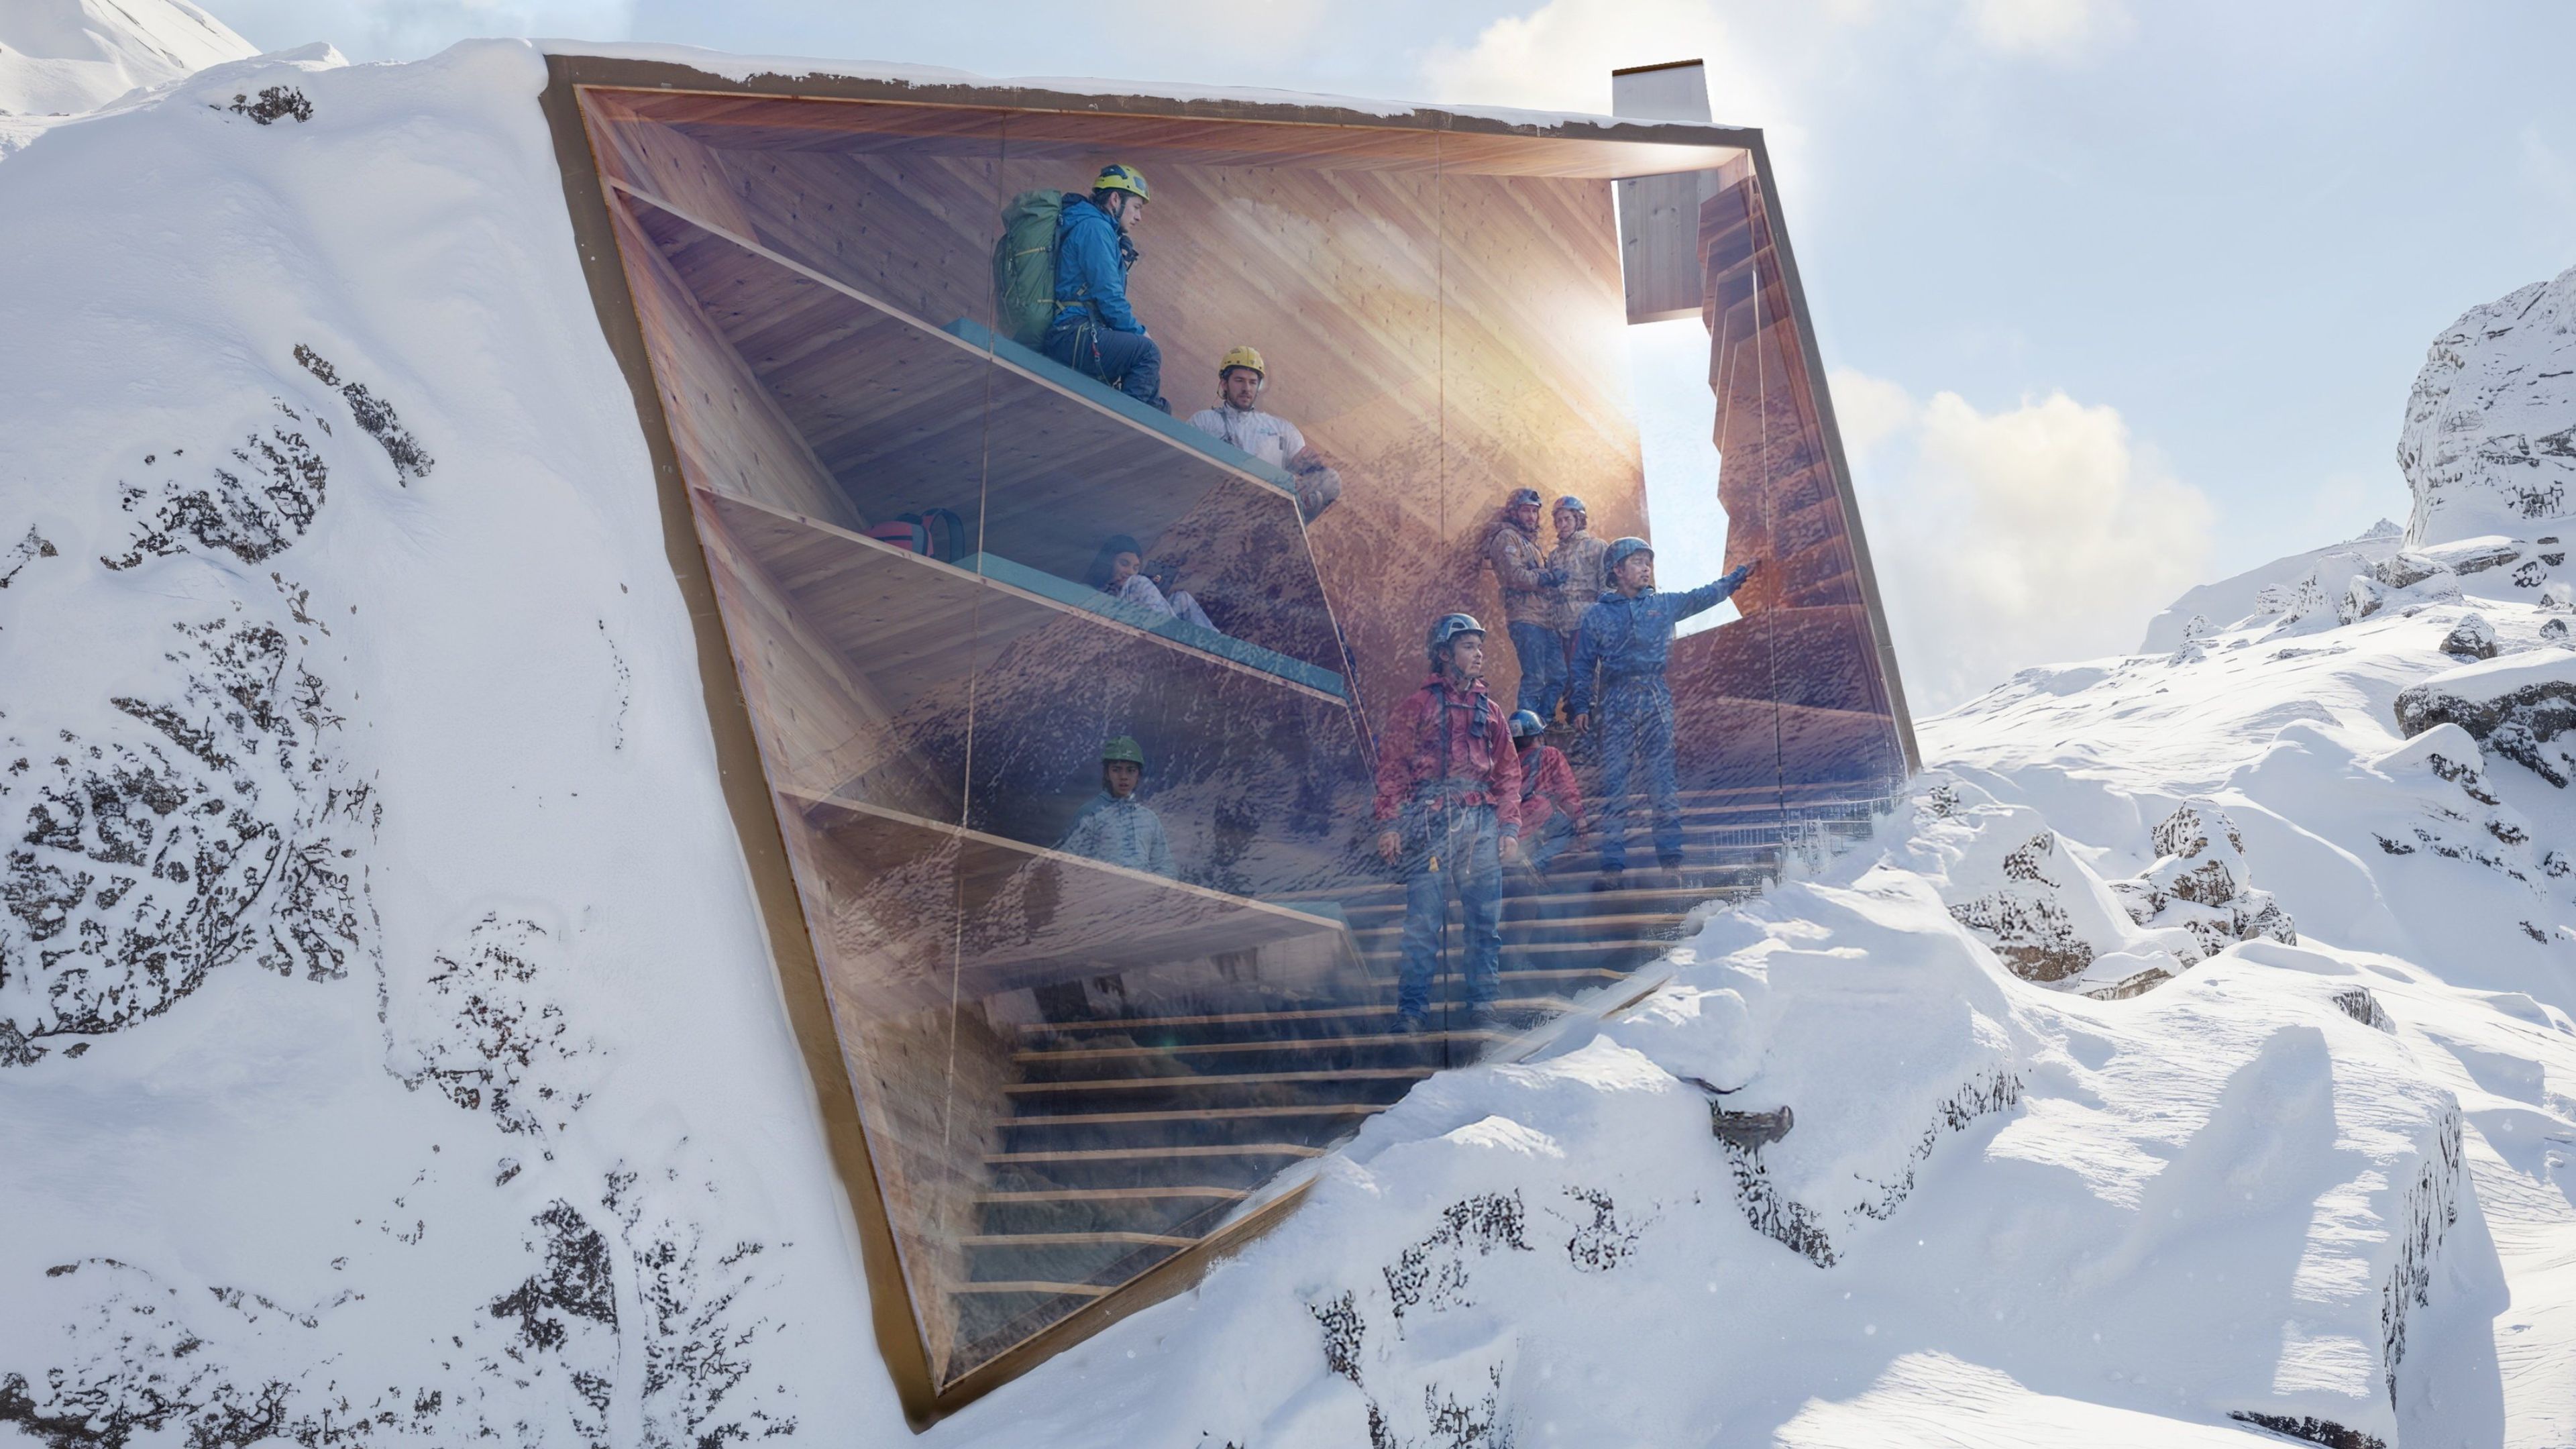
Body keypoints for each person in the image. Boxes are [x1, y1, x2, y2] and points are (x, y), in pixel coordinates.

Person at [1568, 538, 1759, 891]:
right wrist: (1580, 705)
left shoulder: (1664, 605)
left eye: (1648, 563)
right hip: (1616, 699)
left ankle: (1672, 863)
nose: (1646, 568)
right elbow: (1581, 666)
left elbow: (1706, 595)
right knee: (1615, 783)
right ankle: (1612, 867)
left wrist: (1739, 576)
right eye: (1638, 562)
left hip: (1655, 695)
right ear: (1618, 570)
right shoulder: (1596, 615)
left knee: (1662, 782)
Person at [1373, 613, 1522, 1035]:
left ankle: (1481, 1007)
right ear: (1444, 653)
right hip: (1428, 823)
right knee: (1422, 924)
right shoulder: (1415, 708)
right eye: (1468, 646)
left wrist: (1509, 829)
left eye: (1480, 646)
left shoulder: (1491, 712)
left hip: (1479, 824)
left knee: (1484, 925)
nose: (1479, 654)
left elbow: (1509, 774)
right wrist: (1389, 824)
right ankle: (1412, 1012)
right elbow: (1392, 769)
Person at [1042, 164, 1167, 412]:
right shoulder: (1095, 229)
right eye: (1136, 207)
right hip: (1072, 334)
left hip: (1078, 333)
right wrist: (1139, 333)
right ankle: (1126, 425)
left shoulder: (1099, 229)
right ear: (1115, 199)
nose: (1139, 217)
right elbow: (1109, 297)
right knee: (1147, 353)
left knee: (1157, 402)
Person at [1185, 345, 1342, 521]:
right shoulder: (1204, 422)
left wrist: (1310, 469)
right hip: (1214, 510)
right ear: (1224, 383)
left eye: (1253, 382)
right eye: (1239, 380)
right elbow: (1183, 467)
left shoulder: (1282, 429)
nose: (1247, 388)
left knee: (1331, 480)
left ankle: (1292, 528)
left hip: (1264, 515)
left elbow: (1314, 475)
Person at [1482, 488, 1563, 720]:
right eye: (1526, 511)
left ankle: (1544, 722)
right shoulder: (1507, 537)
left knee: (1559, 675)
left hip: (1545, 619)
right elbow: (1513, 576)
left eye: (1535, 512)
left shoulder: (1530, 542)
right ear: (1514, 513)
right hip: (1525, 619)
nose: (1531, 517)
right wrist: (1545, 577)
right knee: (1535, 677)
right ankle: (1527, 732)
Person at [1058, 736, 1177, 877]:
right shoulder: (1090, 814)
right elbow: (1067, 866)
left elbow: (1164, 865)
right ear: (1107, 774)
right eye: (1116, 769)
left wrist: (1157, 894)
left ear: (1138, 775)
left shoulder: (1149, 819)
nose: (1123, 777)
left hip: (1142, 897)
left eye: (1131, 770)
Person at [1084, 534, 1221, 633]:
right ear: (1108, 562)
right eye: (1124, 564)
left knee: (1181, 598)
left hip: (1148, 624)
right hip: (1126, 633)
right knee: (1139, 582)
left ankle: (1217, 647)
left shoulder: (1132, 589)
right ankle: (1170, 633)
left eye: (1136, 568)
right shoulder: (1088, 590)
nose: (1130, 572)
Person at [1508, 709, 1584, 877]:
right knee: (1567, 833)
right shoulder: (1550, 754)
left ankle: (1534, 872)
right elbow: (1566, 788)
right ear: (1538, 734)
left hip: (1516, 820)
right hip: (1541, 812)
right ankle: (1536, 863)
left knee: (1535, 839)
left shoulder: (1508, 761)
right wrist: (1578, 817)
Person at [1546, 494, 1610, 657]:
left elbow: (1607, 584)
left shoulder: (1596, 547)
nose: (1563, 525)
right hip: (1561, 626)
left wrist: (1603, 619)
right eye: (1559, 521)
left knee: (1588, 673)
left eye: (1567, 519)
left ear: (1579, 520)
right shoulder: (1554, 556)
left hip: (1588, 622)